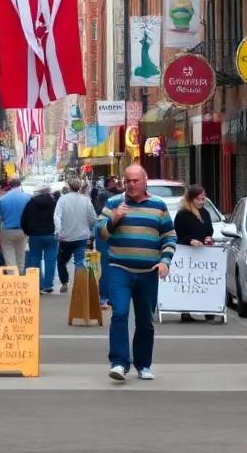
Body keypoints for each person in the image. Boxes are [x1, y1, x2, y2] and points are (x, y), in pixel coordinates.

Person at [96, 164, 176, 383]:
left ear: (144, 181)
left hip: (148, 272)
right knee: (119, 313)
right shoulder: (114, 203)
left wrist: (165, 261)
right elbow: (98, 232)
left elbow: (169, 236)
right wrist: (113, 219)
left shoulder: (158, 206)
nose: (131, 185)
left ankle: (143, 364)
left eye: (135, 181)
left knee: (145, 321)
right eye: (128, 181)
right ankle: (119, 363)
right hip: (119, 269)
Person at [173, 184, 216, 322]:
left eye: (203, 199)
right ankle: (186, 310)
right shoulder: (183, 215)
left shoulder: (205, 214)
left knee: (204, 281)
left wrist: (208, 237)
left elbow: (209, 229)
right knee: (188, 282)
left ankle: (207, 308)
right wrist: (190, 241)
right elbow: (178, 234)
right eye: (198, 199)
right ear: (191, 199)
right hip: (187, 253)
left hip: (202, 253)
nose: (201, 202)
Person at [55, 177, 97, 293]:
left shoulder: (62, 200)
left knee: (61, 260)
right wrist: (89, 227)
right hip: (82, 236)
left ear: (69, 187)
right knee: (80, 261)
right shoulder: (86, 200)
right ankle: (80, 284)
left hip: (66, 237)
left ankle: (64, 282)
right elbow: (93, 218)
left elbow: (57, 216)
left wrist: (59, 231)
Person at [21, 184, 60, 293]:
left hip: (35, 235)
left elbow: (24, 219)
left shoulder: (31, 203)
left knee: (34, 259)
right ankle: (48, 284)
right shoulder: (54, 203)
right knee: (50, 260)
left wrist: (27, 232)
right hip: (51, 235)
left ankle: (35, 284)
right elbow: (58, 217)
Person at [93, 177, 121, 307]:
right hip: (110, 238)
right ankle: (109, 296)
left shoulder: (102, 207)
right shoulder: (114, 203)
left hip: (105, 239)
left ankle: (105, 297)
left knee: (106, 267)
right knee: (112, 267)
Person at [0, 178, 32, 273]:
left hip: (6, 230)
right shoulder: (27, 198)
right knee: (20, 254)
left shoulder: (2, 199)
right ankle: (20, 275)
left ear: (10, 185)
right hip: (22, 230)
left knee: (9, 256)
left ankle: (12, 277)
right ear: (20, 184)